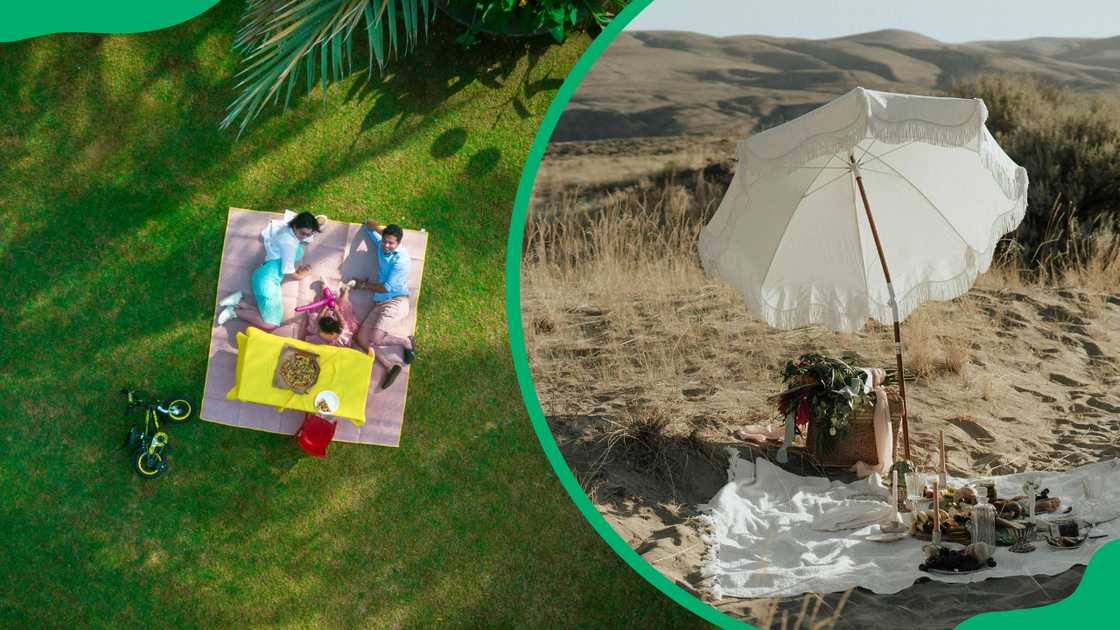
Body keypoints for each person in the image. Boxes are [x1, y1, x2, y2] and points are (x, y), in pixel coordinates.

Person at [216, 210, 327, 330]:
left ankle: (239, 302)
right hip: (267, 279)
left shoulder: (289, 229)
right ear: (296, 226)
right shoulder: (289, 245)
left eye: (308, 234)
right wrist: (302, 274)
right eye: (303, 233)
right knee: (270, 324)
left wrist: (314, 225)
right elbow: (288, 271)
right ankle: (235, 312)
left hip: (266, 274)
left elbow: (304, 235)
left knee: (269, 315)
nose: (305, 237)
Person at [351, 220, 415, 389]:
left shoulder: (402, 261)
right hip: (380, 301)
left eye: (391, 243)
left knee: (376, 338)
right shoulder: (380, 244)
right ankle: (390, 366)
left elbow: (386, 287)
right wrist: (379, 228)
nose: (386, 245)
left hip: (397, 300)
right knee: (361, 339)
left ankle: (405, 342)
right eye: (385, 240)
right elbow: (368, 224)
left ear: (399, 243)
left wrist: (363, 285)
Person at [303, 280, 359, 347]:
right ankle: (330, 290)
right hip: (330, 319)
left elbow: (319, 319)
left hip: (329, 319)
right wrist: (334, 310)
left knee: (342, 303)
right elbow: (342, 322)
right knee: (345, 310)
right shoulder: (339, 330)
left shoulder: (320, 328)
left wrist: (330, 309)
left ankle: (343, 289)